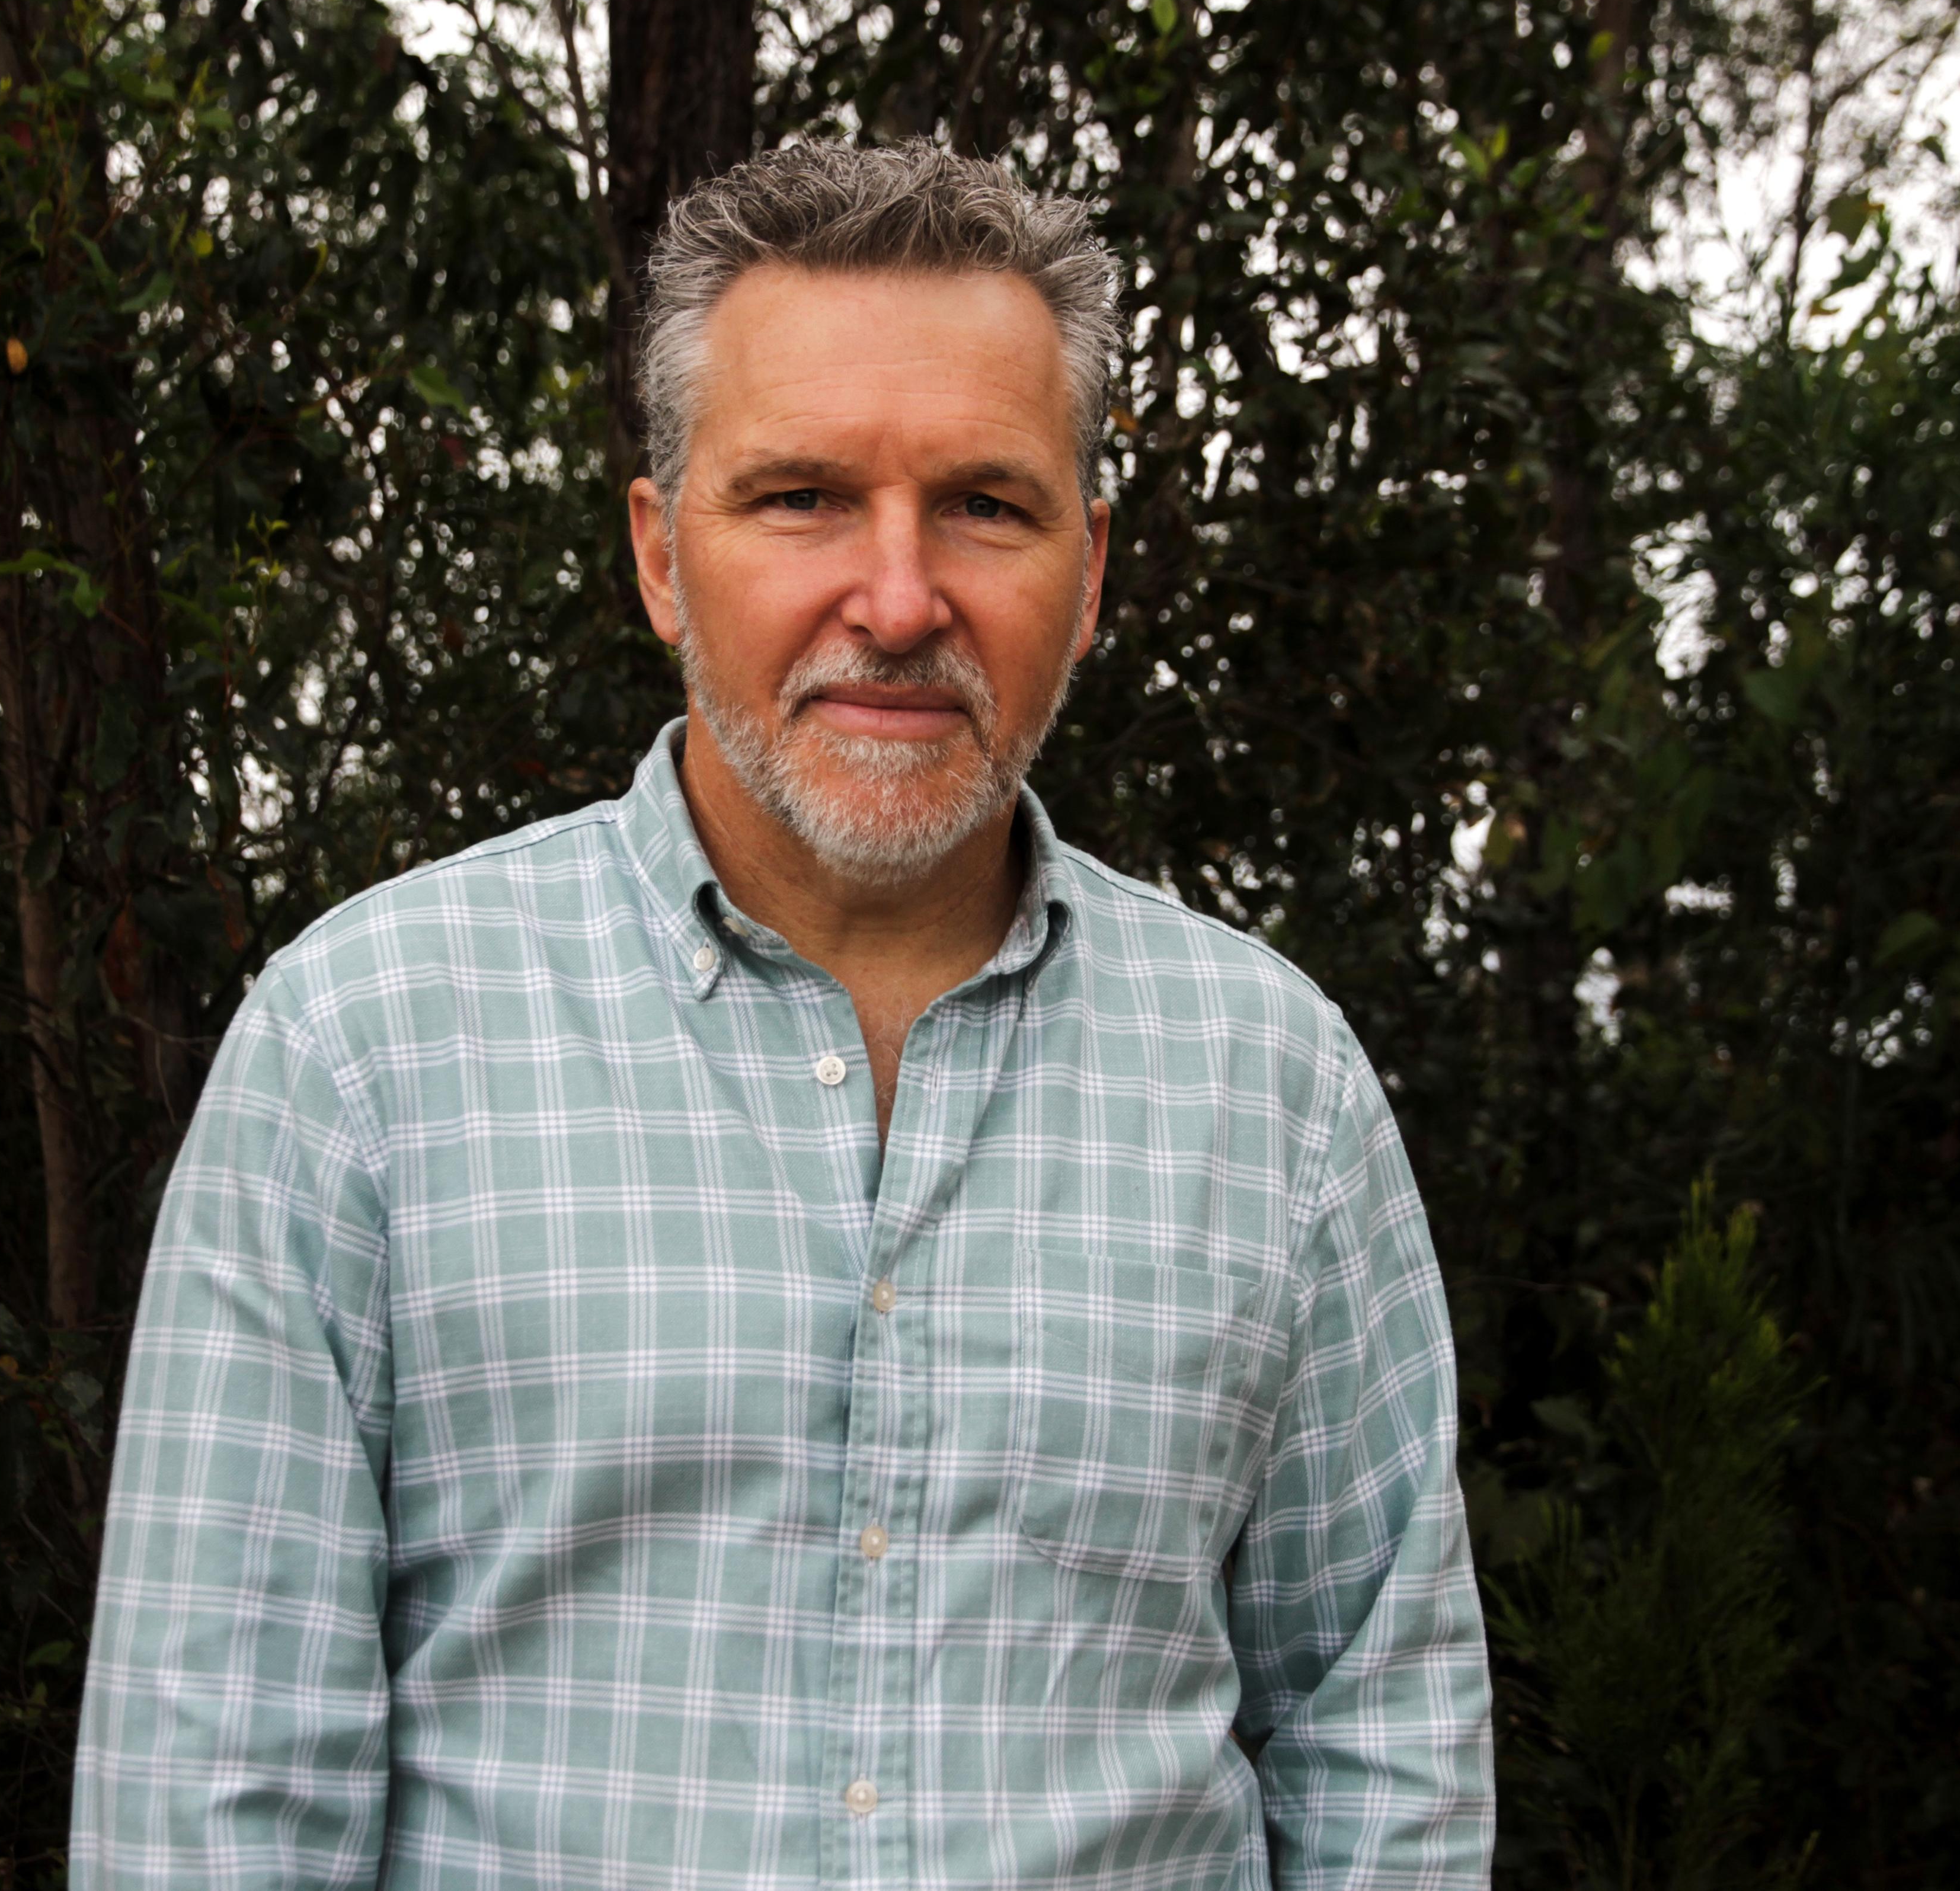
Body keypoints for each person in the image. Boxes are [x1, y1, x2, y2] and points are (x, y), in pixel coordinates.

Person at [71, 140, 1493, 1889]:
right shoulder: (360, 1059)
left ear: (1093, 571)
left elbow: (1384, 1749)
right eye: (802, 497)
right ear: (664, 557)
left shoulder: (1278, 1097)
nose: (897, 602)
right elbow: (211, 1806)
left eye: (985, 503)